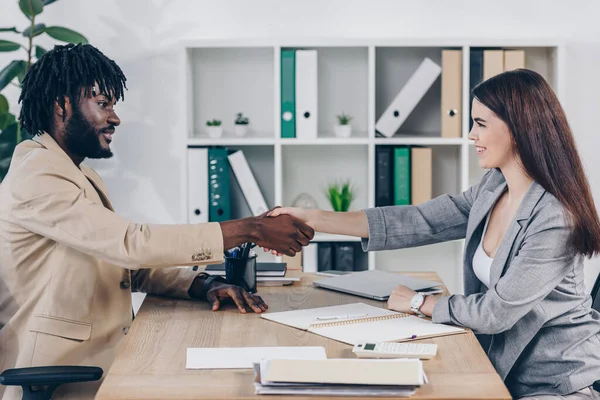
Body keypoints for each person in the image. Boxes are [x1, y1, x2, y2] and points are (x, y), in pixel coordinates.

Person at [0, 43, 314, 400]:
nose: (115, 118)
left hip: (103, 359)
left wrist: (203, 283)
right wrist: (250, 227)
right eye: (103, 104)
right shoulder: (37, 175)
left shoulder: (77, 174)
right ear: (61, 105)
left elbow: (120, 263)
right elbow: (131, 244)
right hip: (60, 373)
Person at [268, 69, 600, 399]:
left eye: (481, 124)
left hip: (555, 384)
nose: (471, 135)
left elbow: (495, 312)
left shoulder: (555, 217)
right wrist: (311, 217)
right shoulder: (494, 187)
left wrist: (421, 302)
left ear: (518, 129)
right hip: (499, 370)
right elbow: (421, 221)